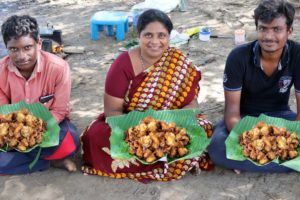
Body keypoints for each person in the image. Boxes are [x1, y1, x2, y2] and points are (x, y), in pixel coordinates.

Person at [81, 9, 213, 182]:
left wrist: (170, 127)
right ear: (139, 36)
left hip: (171, 124)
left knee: (203, 128)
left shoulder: (178, 61)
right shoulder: (122, 65)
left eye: (161, 35)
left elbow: (192, 106)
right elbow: (112, 112)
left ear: (169, 36)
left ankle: (159, 157)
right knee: (96, 136)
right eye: (148, 35)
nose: (155, 42)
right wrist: (140, 134)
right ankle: (163, 160)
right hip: (130, 125)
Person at [208, 0, 300, 172]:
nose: (268, 36)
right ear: (257, 29)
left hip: (280, 116)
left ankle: (249, 161)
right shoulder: (238, 57)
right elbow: (232, 114)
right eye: (263, 28)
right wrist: (254, 140)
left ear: (289, 31)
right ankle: (285, 162)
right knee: (217, 148)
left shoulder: (298, 54)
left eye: (277, 29)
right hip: (244, 118)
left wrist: (284, 140)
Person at [0, 15, 80, 174]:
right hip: (13, 128)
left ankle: (22, 159)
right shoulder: (1, 71)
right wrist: (19, 132)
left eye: (27, 47)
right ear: (6, 48)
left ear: (39, 44)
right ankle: (49, 161)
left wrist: (35, 130)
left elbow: (59, 111)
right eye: (14, 49)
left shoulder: (59, 68)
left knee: (70, 142)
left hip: (48, 126)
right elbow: (3, 113)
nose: (21, 56)